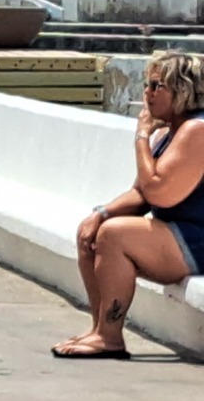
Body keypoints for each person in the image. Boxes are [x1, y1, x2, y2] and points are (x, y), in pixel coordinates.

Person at [53, 52, 204, 360]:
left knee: (115, 235)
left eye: (155, 86)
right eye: (146, 85)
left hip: (197, 238)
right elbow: (140, 193)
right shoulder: (169, 132)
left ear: (182, 89)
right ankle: (99, 329)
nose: (146, 93)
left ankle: (110, 337)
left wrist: (141, 137)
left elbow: (159, 193)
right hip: (179, 233)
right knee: (93, 231)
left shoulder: (196, 131)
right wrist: (101, 214)